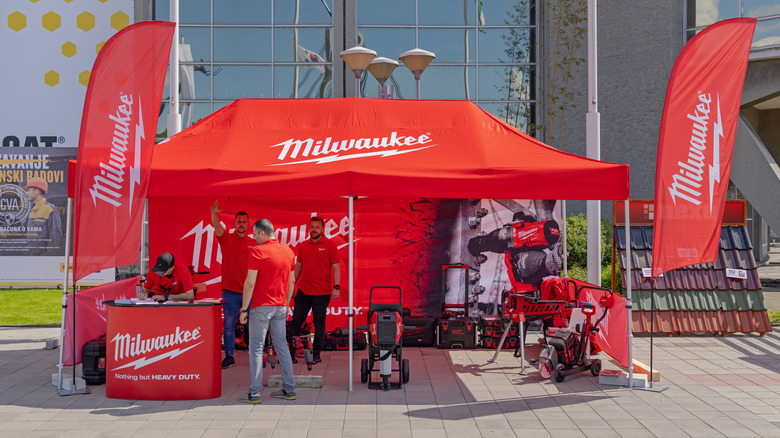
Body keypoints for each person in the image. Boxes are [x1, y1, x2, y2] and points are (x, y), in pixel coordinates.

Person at [238, 219, 296, 404]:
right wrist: (286, 304)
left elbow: (250, 283)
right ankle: (289, 390)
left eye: (255, 234)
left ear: (262, 234)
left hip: (261, 307)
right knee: (282, 348)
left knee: (256, 349)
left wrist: (244, 309)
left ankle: (255, 393)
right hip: (280, 306)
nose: (254, 238)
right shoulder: (288, 251)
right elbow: (292, 282)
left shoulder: (257, 251)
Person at [288, 216, 341, 365]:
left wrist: (336, 287)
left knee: (319, 324)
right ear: (309, 228)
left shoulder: (330, 245)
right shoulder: (303, 245)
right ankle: (291, 355)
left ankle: (316, 354)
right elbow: (298, 266)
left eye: (317, 227)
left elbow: (336, 267)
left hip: (322, 293)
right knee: (296, 322)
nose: (314, 230)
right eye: (312, 227)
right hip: (303, 292)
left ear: (323, 229)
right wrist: (291, 285)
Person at [210, 200, 254, 369]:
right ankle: (229, 356)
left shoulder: (254, 242)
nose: (241, 224)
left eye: (244, 221)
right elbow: (217, 226)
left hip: (250, 293)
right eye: (239, 221)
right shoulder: (227, 239)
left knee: (252, 325)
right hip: (230, 292)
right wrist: (215, 214)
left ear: (248, 224)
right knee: (228, 325)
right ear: (234, 223)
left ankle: (254, 356)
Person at [23, 177, 62, 256]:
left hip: (43, 260)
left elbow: (55, 238)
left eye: (28, 190)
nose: (26, 193)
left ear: (37, 191)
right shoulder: (32, 210)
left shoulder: (49, 209)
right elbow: (23, 230)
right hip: (31, 258)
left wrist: (48, 259)